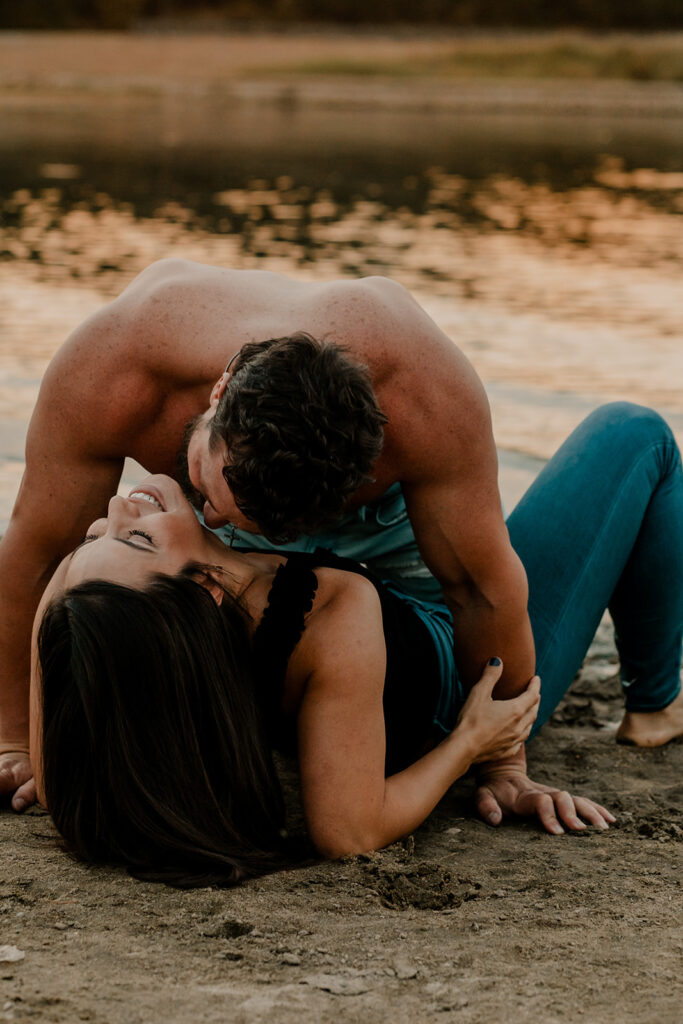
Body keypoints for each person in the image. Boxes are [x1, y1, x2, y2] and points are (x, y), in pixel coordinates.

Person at [0, 261, 678, 826]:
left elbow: (478, 588)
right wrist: (15, 736)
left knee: (622, 440)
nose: (215, 515)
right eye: (209, 494)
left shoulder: (424, 391)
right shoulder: (113, 367)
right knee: (634, 431)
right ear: (221, 391)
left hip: (395, 559)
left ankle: (653, 701)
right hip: (267, 605)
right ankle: (657, 703)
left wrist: (502, 762)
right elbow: (36, 555)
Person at [29, 402, 683, 885]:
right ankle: (653, 704)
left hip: (380, 617)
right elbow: (349, 832)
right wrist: (474, 744)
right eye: (135, 540)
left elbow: (61, 771)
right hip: (458, 675)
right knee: (633, 434)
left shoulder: (83, 598)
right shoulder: (332, 611)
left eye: (95, 541)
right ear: (206, 589)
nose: (111, 513)